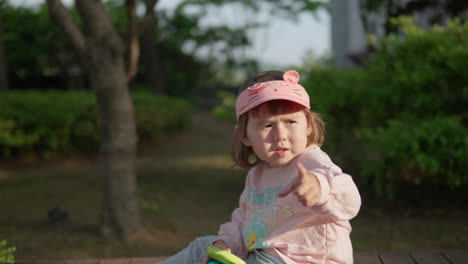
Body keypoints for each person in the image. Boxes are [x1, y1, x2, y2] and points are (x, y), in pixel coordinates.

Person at [157, 70, 361, 264]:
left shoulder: (312, 161)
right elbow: (244, 221)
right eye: (267, 125)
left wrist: (320, 188)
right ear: (244, 136)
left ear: (307, 125)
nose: (280, 134)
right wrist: (226, 243)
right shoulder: (257, 175)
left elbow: (350, 199)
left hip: (307, 259)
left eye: (290, 121)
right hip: (265, 256)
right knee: (202, 247)